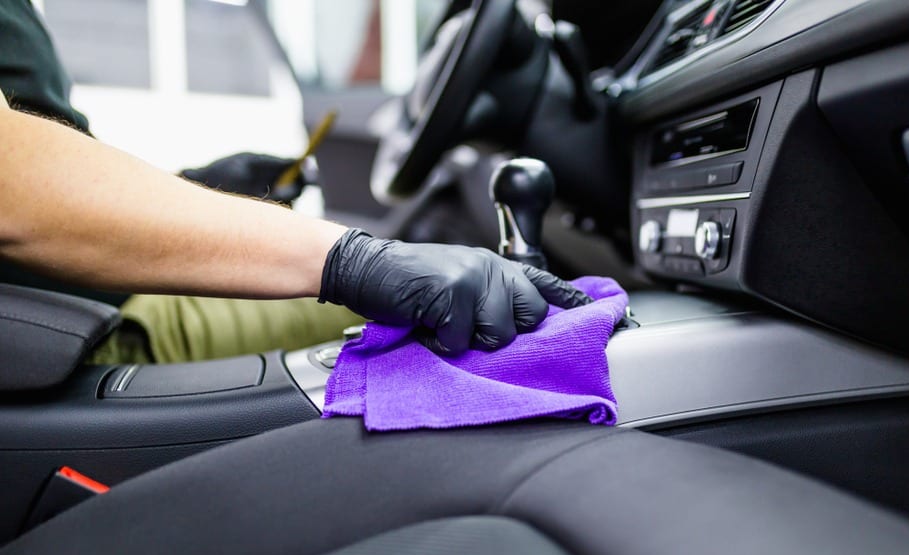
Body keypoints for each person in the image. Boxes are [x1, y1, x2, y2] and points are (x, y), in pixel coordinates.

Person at [0, 89, 589, 358]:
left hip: (85, 292)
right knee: (417, 308)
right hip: (74, 320)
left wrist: (201, 177)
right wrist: (351, 262)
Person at [0, 0, 365, 363]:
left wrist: (200, 182)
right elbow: (13, 192)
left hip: (102, 296)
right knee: (365, 307)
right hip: (84, 327)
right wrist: (342, 259)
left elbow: (44, 176)